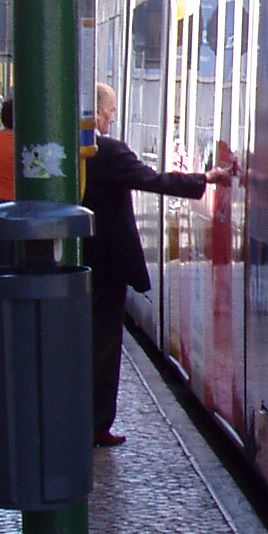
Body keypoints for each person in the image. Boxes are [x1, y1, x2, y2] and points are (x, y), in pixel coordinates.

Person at [84, 81, 207, 446]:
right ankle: (96, 424)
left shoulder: (64, 151)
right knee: (103, 347)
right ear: (95, 113)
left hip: (71, 260)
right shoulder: (105, 151)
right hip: (107, 266)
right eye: (109, 109)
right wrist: (203, 180)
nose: (112, 116)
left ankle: (71, 418)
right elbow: (153, 180)